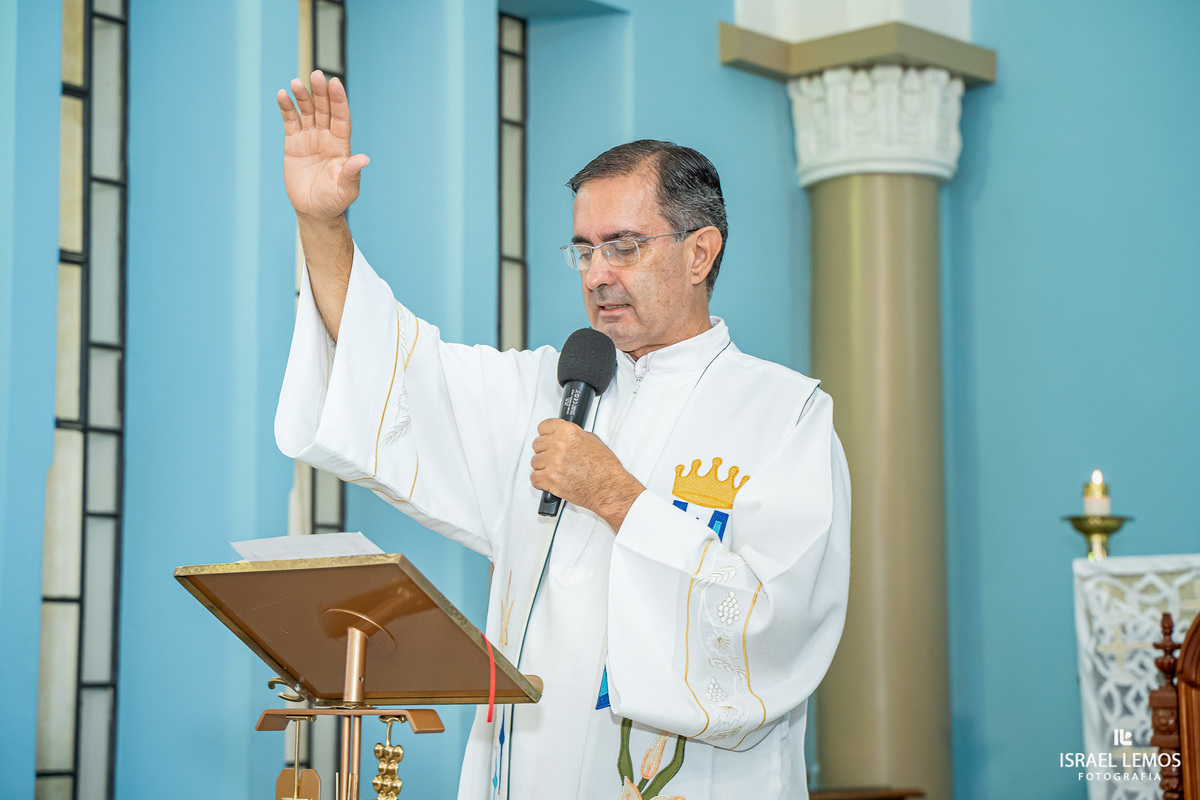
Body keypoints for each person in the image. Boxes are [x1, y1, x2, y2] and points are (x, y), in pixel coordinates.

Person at [274, 71, 850, 800]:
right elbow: (390, 368)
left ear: (700, 252)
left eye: (624, 246)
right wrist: (324, 225)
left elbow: (777, 629)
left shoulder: (784, 416)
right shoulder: (547, 388)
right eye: (584, 250)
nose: (598, 274)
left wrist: (616, 497)